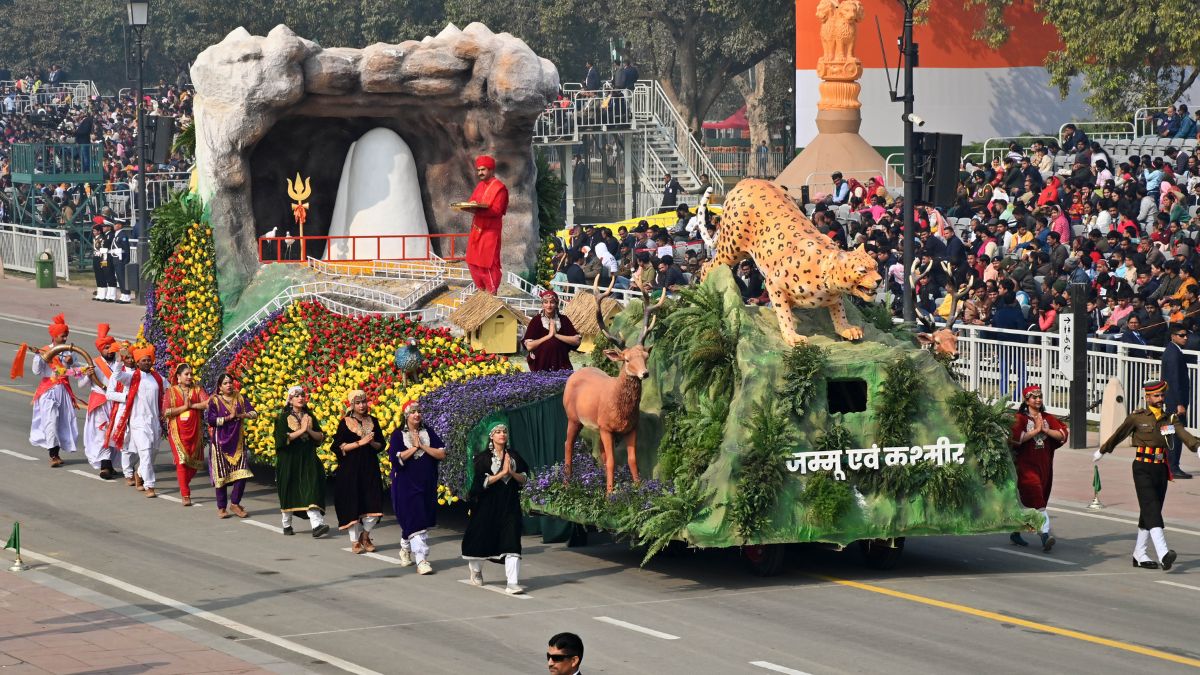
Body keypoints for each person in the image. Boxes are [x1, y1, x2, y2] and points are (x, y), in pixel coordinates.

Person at [1098, 379, 1200, 570]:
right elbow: (1119, 434)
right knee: (1151, 507)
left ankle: (1139, 553)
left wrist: (1197, 447)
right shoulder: (1137, 417)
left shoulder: (1169, 419)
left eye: (1162, 395)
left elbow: (1182, 433)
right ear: (1147, 397)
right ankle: (1163, 554)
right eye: (1156, 395)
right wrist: (1103, 450)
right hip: (1142, 467)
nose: (1160, 399)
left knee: (1151, 510)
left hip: (1161, 468)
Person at [10, 314, 91, 467]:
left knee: (63, 422)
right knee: (50, 421)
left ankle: (58, 450)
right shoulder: (45, 350)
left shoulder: (69, 351)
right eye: (63, 336)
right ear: (54, 336)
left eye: (66, 335)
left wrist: (72, 362)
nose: (65, 338)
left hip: (64, 391)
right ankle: (53, 455)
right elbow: (36, 371)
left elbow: (77, 371)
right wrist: (38, 356)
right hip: (48, 391)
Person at [462, 422, 529, 594]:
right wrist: (501, 474)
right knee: (481, 540)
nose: (502, 435)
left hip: (509, 505)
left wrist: (512, 473)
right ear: (491, 436)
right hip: (487, 506)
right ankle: (476, 570)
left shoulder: (514, 456)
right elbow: (478, 484)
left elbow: (524, 478)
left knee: (512, 541)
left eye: (504, 432)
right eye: (498, 432)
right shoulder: (483, 458)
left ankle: (512, 583)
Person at [388, 401, 446, 574]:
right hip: (406, 484)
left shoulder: (428, 432)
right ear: (406, 415)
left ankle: (405, 546)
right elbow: (396, 458)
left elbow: (441, 453)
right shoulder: (398, 435)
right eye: (413, 412)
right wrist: (414, 447)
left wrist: (422, 446)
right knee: (415, 518)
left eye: (419, 411)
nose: (417, 415)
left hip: (427, 483)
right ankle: (422, 560)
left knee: (421, 519)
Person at [1008, 385, 1068, 551]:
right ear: (1027, 400)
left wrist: (1046, 430)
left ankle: (1015, 532)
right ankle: (1045, 535)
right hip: (1026, 468)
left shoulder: (1048, 417)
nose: (1038, 400)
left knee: (1035, 500)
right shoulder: (1020, 419)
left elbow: (1062, 435)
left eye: (1040, 397)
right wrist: (1036, 431)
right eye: (1034, 397)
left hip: (1045, 466)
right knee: (1037, 500)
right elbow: (1016, 439)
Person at [107, 345, 164, 497]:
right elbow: (118, 375)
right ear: (138, 363)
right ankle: (150, 486)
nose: (147, 362)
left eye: (149, 360)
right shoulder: (132, 377)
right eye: (143, 360)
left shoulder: (157, 378)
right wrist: (120, 359)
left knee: (153, 453)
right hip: (138, 422)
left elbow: (171, 390)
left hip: (155, 422)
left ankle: (139, 472)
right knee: (145, 452)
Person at [273, 385, 330, 537]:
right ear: (290, 400)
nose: (300, 398)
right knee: (289, 491)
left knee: (312, 488)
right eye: (296, 396)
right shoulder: (282, 417)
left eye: (302, 395)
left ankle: (317, 525)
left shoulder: (309, 417)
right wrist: (301, 431)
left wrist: (308, 430)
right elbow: (283, 439)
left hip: (308, 459)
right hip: (289, 460)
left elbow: (320, 437)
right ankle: (287, 524)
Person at [333, 390, 385, 554]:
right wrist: (360, 442)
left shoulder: (373, 421)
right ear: (352, 405)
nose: (362, 405)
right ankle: (354, 541)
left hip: (369, 469)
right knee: (352, 504)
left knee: (373, 503)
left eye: (364, 402)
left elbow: (381, 446)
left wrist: (371, 443)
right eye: (358, 403)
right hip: (350, 470)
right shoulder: (345, 422)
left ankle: (366, 535)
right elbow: (337, 447)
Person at [206, 373, 257, 518]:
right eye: (225, 383)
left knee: (242, 474)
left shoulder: (239, 397)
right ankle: (221, 507)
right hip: (220, 443)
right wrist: (229, 418)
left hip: (238, 442)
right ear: (220, 387)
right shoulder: (215, 401)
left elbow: (254, 413)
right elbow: (211, 420)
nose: (229, 385)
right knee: (221, 476)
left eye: (230, 382)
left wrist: (242, 416)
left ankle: (235, 503)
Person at [462, 155, 509, 295]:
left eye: (483, 170)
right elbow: (472, 201)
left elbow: (497, 210)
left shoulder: (500, 188)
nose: (480, 173)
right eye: (478, 170)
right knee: (472, 261)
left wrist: (476, 209)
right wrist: (468, 206)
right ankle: (481, 290)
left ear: (491, 170)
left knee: (488, 263)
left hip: (490, 232)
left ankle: (491, 292)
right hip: (477, 230)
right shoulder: (480, 186)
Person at [163, 363, 208, 505]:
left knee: (195, 464)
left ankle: (184, 483)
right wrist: (184, 407)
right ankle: (185, 494)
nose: (189, 377)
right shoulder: (170, 391)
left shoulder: (197, 390)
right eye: (186, 374)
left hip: (195, 431)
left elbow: (207, 403)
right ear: (178, 377)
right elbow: (166, 412)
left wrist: (193, 406)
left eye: (190, 374)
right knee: (182, 462)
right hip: (177, 432)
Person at [82, 324, 119, 478]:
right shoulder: (94, 364)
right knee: (102, 433)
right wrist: (87, 375)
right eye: (106, 348)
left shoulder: (120, 365)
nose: (109, 350)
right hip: (100, 402)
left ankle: (110, 463)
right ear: (100, 350)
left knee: (116, 434)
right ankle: (105, 465)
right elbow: (81, 384)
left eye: (111, 347)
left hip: (116, 402)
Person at [1160, 325, 1193, 479]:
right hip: (1175, 402)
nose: (1185, 337)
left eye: (1186, 335)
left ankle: (1168, 465)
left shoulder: (1173, 351)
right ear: (1173, 336)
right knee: (1175, 435)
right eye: (1182, 335)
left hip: (1171, 401)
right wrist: (1179, 403)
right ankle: (1173, 467)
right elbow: (1173, 381)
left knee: (1170, 433)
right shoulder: (1173, 354)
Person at [523, 289, 581, 371]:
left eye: (552, 302)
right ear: (542, 304)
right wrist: (549, 335)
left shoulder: (563, 320)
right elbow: (529, 346)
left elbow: (576, 341)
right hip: (541, 365)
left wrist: (556, 335)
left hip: (561, 364)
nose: (549, 305)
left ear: (556, 304)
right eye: (546, 302)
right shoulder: (536, 321)